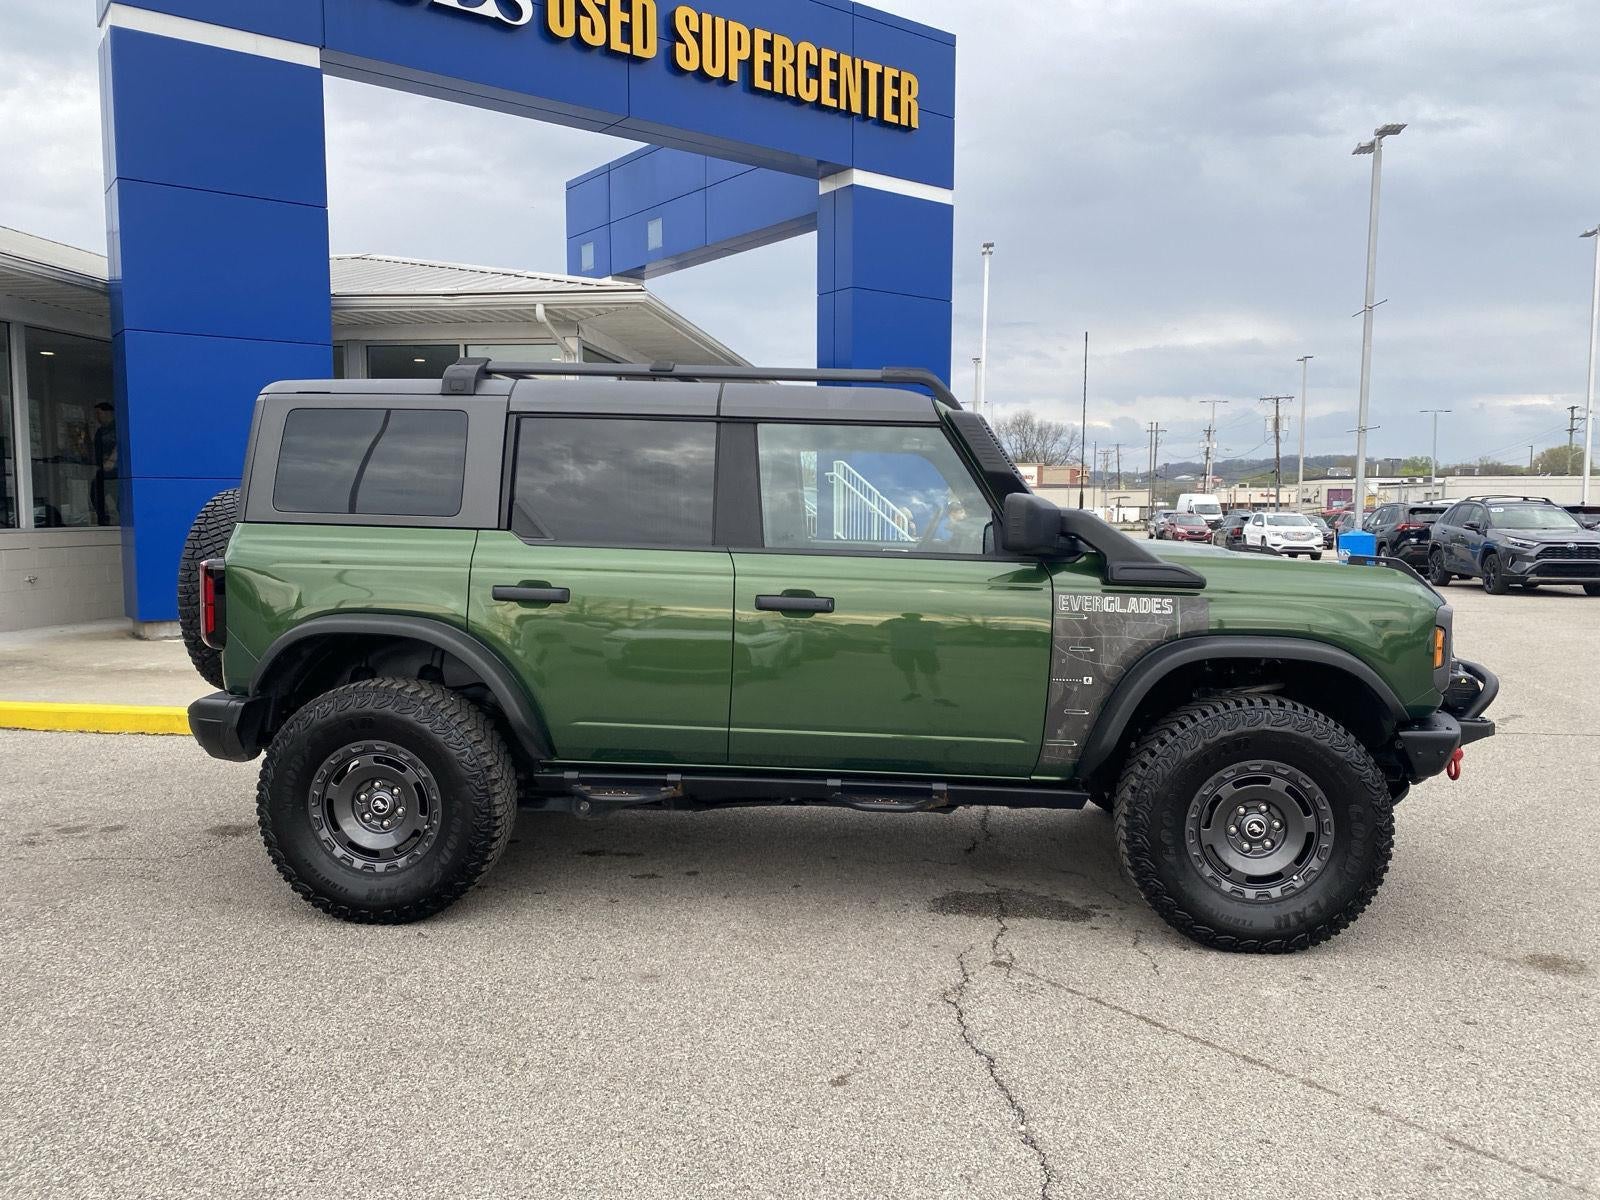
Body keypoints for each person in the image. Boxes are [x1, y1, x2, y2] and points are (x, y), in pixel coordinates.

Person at [90, 402, 118, 526]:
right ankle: (103, 519)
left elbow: (121, 445)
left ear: (108, 413)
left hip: (116, 474)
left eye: (99, 413)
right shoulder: (100, 432)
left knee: (119, 500)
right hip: (103, 472)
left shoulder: (117, 428)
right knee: (95, 494)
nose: (97, 417)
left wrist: (112, 460)